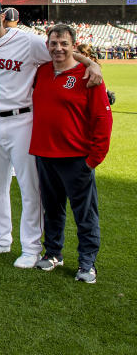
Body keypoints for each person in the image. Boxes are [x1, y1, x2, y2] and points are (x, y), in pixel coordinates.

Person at [0, 0, 102, 268]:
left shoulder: (27, 41)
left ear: (2, 17)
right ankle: (1, 239)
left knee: (30, 188)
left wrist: (91, 64)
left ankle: (31, 248)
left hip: (22, 120)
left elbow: (62, 53)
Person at [30, 24, 112, 284]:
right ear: (48, 45)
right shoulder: (42, 71)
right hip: (45, 154)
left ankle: (87, 263)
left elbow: (102, 118)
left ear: (73, 46)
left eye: (64, 43)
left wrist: (93, 159)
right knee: (52, 210)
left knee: (84, 213)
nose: (58, 48)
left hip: (76, 157)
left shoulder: (89, 76)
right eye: (54, 43)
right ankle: (53, 252)